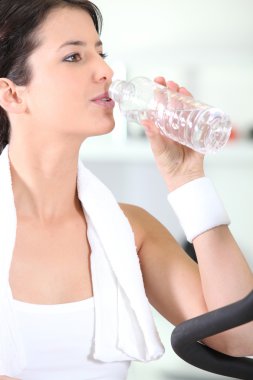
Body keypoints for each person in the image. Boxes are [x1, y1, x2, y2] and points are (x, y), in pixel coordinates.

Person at [0, 1, 252, 379]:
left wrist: (187, 180)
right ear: (13, 94)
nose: (105, 70)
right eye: (74, 57)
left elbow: (239, 337)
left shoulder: (128, 231)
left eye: (101, 53)